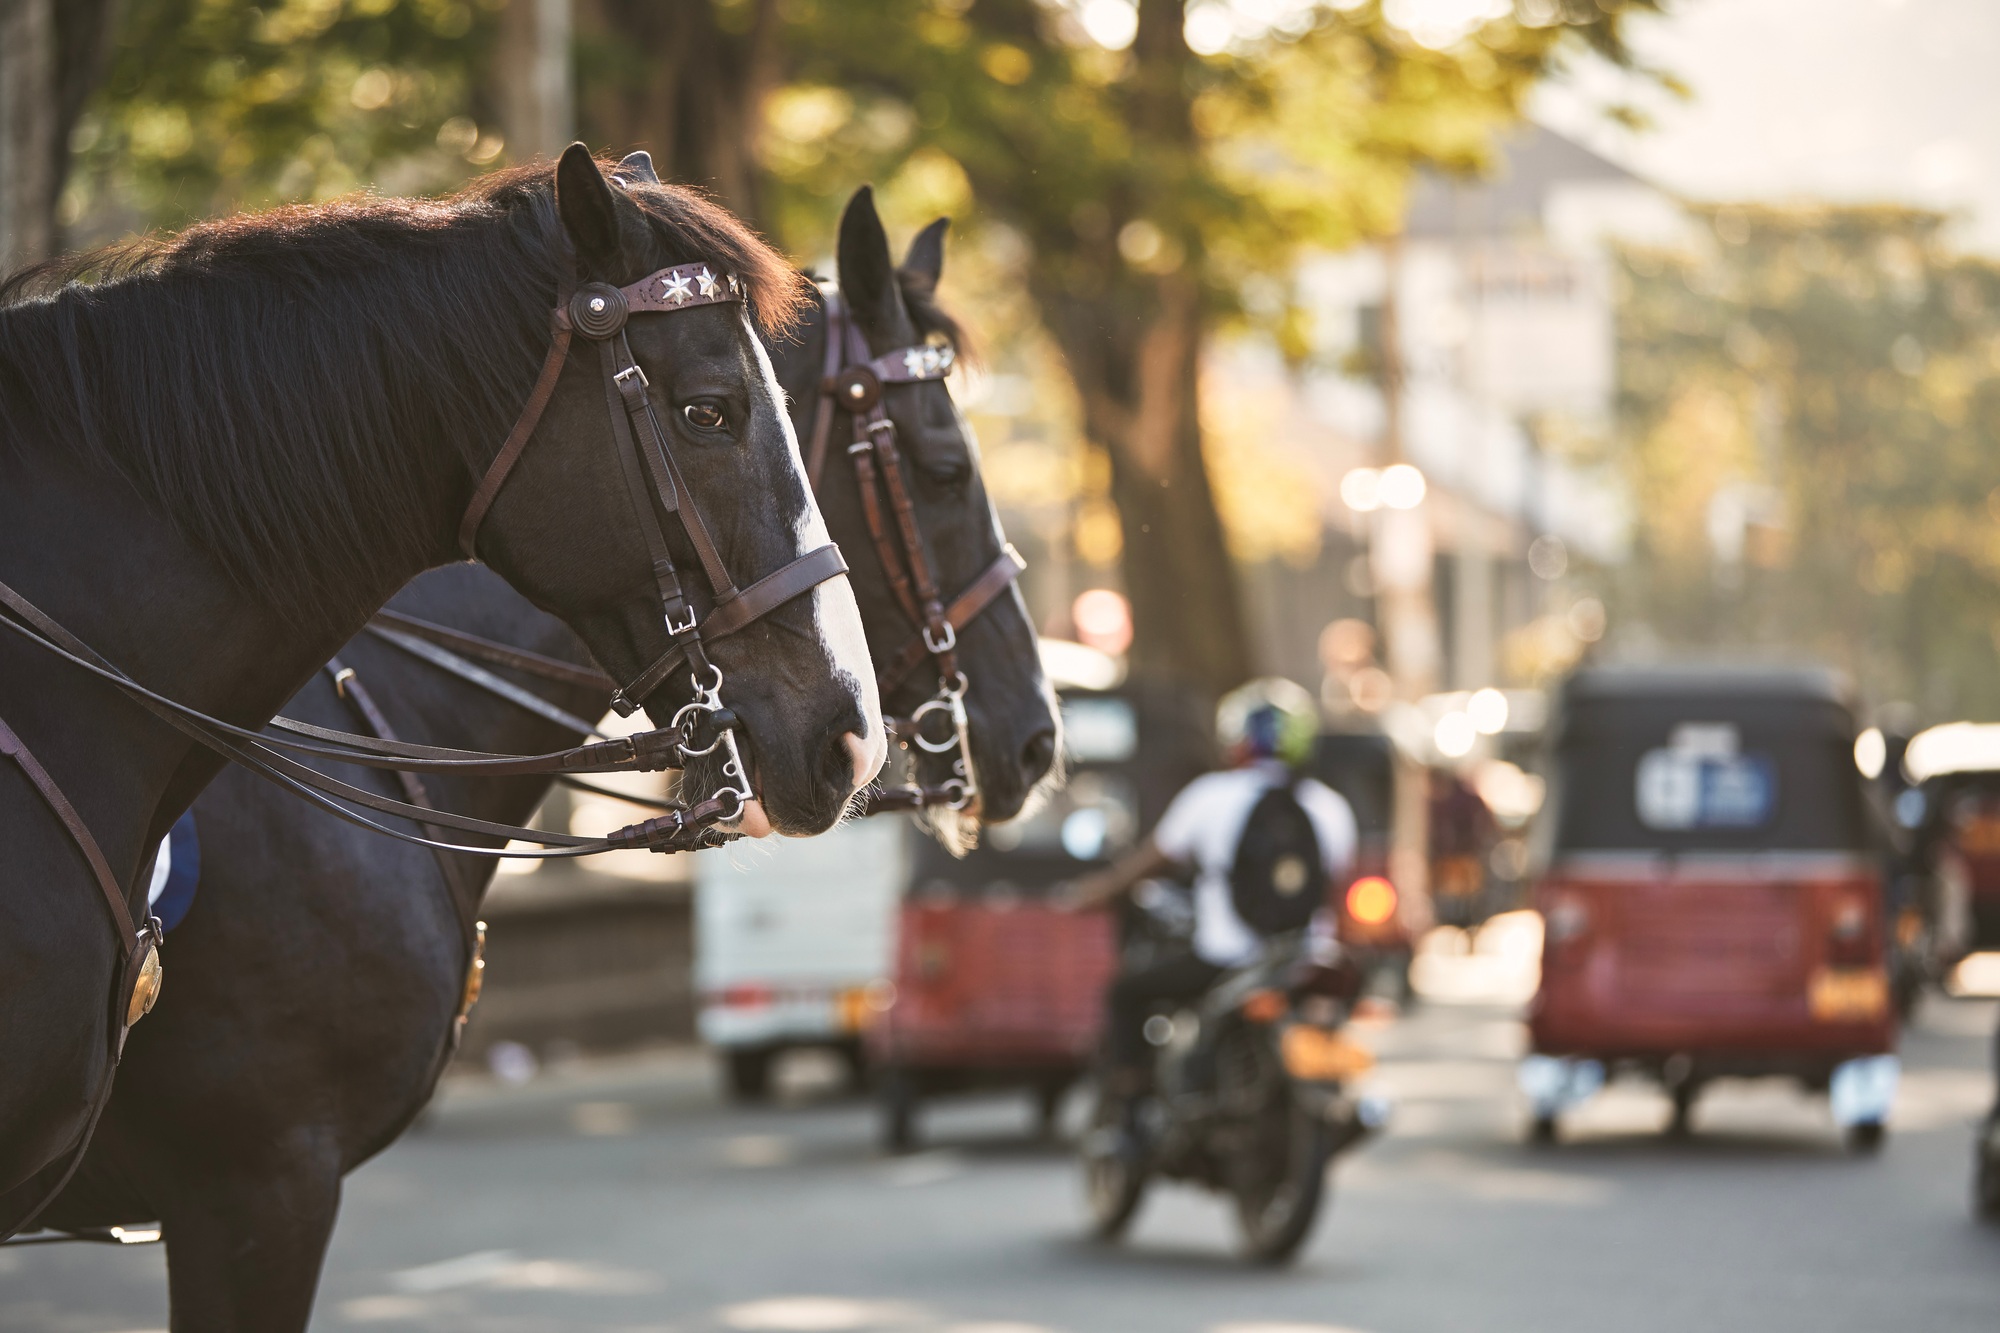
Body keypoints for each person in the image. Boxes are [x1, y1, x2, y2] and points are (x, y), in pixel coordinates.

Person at [1063, 677, 1357, 1096]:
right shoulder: (1330, 806)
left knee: (1126, 993)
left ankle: (1129, 1107)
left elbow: (1148, 865)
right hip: (1305, 960)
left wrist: (1095, 893)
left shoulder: (1210, 796)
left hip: (1223, 961)